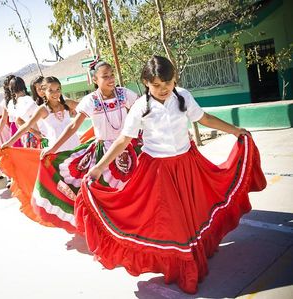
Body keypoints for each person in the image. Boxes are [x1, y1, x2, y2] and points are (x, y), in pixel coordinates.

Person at [75, 56, 267, 294]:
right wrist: (98, 168)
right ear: (146, 82)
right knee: (173, 222)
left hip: (187, 165)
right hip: (157, 171)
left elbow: (204, 118)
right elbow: (124, 139)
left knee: (194, 213)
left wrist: (235, 131)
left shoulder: (183, 96)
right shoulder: (140, 107)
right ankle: (184, 269)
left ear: (175, 79)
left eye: (168, 83)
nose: (163, 89)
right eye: (156, 85)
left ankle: (197, 254)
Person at [34, 59, 142, 233]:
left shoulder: (124, 94)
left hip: (128, 146)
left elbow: (145, 109)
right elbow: (73, 126)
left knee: (137, 187)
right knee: (106, 191)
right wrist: (53, 149)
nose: (111, 79)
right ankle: (114, 229)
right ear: (95, 80)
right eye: (105, 76)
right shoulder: (90, 100)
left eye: (112, 75)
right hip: (104, 151)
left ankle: (135, 223)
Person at [0, 76, 80, 225]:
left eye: (58, 89)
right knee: (66, 189)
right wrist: (8, 143)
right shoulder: (43, 110)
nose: (55, 93)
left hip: (75, 150)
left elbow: (89, 108)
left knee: (80, 184)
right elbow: (25, 126)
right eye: (51, 90)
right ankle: (73, 218)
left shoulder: (66, 104)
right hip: (57, 154)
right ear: (43, 91)